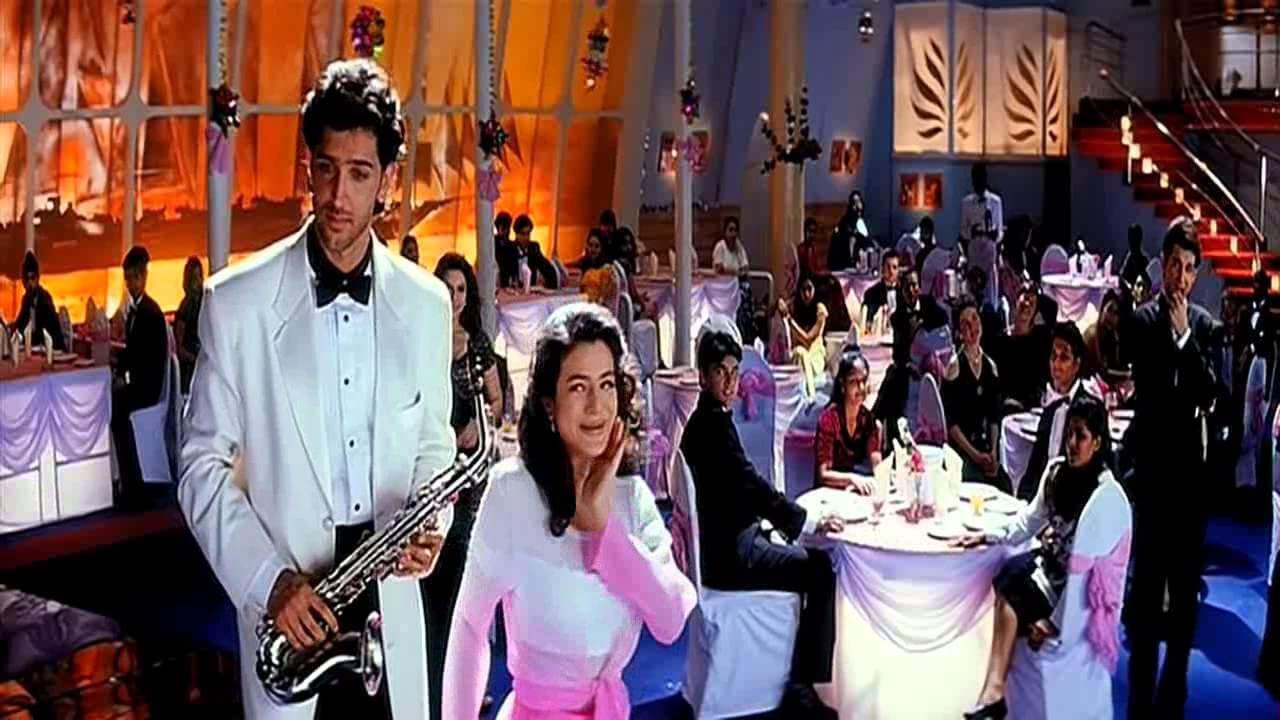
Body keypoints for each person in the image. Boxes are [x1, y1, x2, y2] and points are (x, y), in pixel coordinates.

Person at [177, 58, 455, 720]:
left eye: (359, 173)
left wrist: (432, 525)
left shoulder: (428, 305)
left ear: (387, 181)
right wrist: (268, 581)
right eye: (326, 169)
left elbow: (433, 445)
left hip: (391, 608)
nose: (337, 195)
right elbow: (200, 468)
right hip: (291, 610)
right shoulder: (235, 304)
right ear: (308, 169)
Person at [443, 303, 695, 719]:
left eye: (606, 384)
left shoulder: (633, 498)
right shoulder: (512, 491)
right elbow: (470, 626)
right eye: (578, 387)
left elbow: (670, 622)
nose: (597, 406)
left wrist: (605, 531)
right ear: (549, 402)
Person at [680, 330, 841, 718]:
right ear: (703, 376)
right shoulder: (711, 429)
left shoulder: (706, 421)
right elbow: (750, 485)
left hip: (728, 542)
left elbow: (741, 488)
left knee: (802, 554)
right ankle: (803, 684)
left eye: (735, 372)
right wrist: (804, 521)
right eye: (721, 372)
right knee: (821, 569)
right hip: (730, 557)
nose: (731, 382)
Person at [956, 398, 1121, 720]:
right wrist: (988, 535)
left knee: (1015, 589)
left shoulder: (1105, 495)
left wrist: (1055, 622)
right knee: (1007, 573)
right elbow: (1028, 521)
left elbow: (1089, 574)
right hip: (1051, 568)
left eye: (1081, 436)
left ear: (1098, 442)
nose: (1072, 443)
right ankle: (994, 692)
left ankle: (993, 693)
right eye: (1069, 434)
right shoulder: (1056, 472)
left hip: (1076, 591)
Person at [1124, 219, 1219, 718]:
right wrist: (1178, 354)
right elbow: (1158, 393)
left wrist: (1184, 341)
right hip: (1154, 476)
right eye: (1174, 266)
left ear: (1196, 274)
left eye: (1188, 269)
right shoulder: (1141, 321)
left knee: (1183, 601)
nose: (1180, 277)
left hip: (1190, 483)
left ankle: (1173, 699)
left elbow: (1210, 393)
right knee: (1145, 603)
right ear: (1162, 267)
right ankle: (1140, 704)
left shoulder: (1202, 325)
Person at [423, 252, 503, 720]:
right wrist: (448, 439)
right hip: (435, 475)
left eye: (460, 290)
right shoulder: (423, 341)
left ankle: (467, 687)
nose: (454, 299)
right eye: (448, 289)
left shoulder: (477, 345)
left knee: (468, 588)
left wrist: (480, 423)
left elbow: (497, 401)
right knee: (438, 589)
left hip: (473, 477)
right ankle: (438, 685)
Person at [110, 246, 168, 508]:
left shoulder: (149, 313)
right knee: (116, 403)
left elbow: (141, 357)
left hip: (148, 388)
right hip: (141, 382)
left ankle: (133, 484)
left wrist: (120, 367)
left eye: (134, 278)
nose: (131, 284)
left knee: (119, 411)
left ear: (143, 277)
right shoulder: (137, 310)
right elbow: (134, 353)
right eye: (128, 279)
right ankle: (127, 478)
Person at [1019, 322, 1095, 501]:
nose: (1056, 364)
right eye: (1053, 356)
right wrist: (1023, 500)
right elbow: (1035, 466)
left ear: (1076, 364)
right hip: (1042, 501)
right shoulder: (1050, 409)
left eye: (1064, 358)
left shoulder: (1089, 410)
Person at [874, 267, 948, 444]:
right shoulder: (897, 317)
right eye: (906, 287)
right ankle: (883, 431)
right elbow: (898, 355)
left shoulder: (929, 305)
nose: (911, 290)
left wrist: (922, 326)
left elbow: (943, 323)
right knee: (892, 383)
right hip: (909, 369)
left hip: (932, 366)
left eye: (914, 285)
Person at [943, 299, 1006, 490]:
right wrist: (975, 456)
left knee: (1004, 484)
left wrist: (993, 452)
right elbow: (951, 424)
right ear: (959, 332)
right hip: (963, 450)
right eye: (965, 323)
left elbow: (994, 417)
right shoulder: (954, 367)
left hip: (984, 446)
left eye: (975, 319)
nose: (972, 326)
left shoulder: (991, 367)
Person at [816, 349, 883, 491]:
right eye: (853, 382)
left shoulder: (868, 421)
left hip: (853, 490)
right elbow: (823, 474)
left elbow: (876, 461)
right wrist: (852, 479)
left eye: (864, 380)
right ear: (843, 385)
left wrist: (885, 472)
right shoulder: (829, 420)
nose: (861, 388)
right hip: (828, 493)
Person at [778, 275, 829, 397]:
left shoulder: (820, 310)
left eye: (809, 289)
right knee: (799, 353)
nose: (806, 294)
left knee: (801, 353)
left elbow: (808, 340)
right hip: (797, 356)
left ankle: (810, 396)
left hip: (815, 358)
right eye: (803, 290)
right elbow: (770, 311)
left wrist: (790, 320)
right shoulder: (795, 305)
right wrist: (778, 302)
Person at [961, 163, 1003, 307]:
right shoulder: (966, 203)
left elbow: (1000, 232)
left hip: (989, 254)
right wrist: (972, 232)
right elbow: (963, 231)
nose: (977, 181)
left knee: (990, 294)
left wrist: (995, 234)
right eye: (975, 178)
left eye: (980, 178)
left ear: (985, 179)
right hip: (974, 253)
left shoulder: (995, 202)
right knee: (973, 292)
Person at [10, 251, 66, 351]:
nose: (29, 282)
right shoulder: (26, 299)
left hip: (51, 349)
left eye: (32, 278)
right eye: (26, 279)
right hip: (34, 348)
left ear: (37, 278)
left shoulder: (45, 298)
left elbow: (50, 330)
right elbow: (20, 323)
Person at [500, 214, 559, 290]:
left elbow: (548, 270)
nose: (526, 237)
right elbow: (504, 278)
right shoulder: (509, 249)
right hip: (513, 292)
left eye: (528, 233)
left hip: (531, 292)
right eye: (523, 234)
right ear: (516, 234)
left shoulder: (533, 248)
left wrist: (548, 286)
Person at [173, 255, 204, 395]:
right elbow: (179, 347)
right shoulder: (185, 308)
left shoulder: (204, 303)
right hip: (189, 368)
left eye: (199, 277)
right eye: (194, 278)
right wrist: (196, 359)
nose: (197, 282)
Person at [1082, 290, 1127, 384]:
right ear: (1102, 310)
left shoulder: (1112, 334)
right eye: (1109, 310)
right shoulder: (1092, 335)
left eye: (1116, 313)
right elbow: (1103, 372)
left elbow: (1114, 365)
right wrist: (1128, 375)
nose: (1111, 317)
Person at [827, 189, 872, 271]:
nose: (857, 205)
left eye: (858, 201)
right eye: (854, 202)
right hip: (845, 264)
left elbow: (866, 239)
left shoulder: (862, 220)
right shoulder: (847, 221)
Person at [861, 250, 900, 327]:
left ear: (898, 270)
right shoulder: (871, 293)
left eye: (894, 267)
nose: (891, 271)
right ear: (882, 269)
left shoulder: (904, 292)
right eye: (888, 267)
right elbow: (867, 320)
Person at [1119, 223, 1149, 290]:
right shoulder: (1130, 255)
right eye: (1129, 238)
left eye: (1133, 238)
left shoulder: (1142, 259)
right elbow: (1122, 275)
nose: (1130, 241)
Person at [494, 212, 517, 288]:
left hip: (508, 284)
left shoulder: (512, 246)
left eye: (507, 227)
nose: (506, 231)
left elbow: (514, 267)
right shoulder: (492, 243)